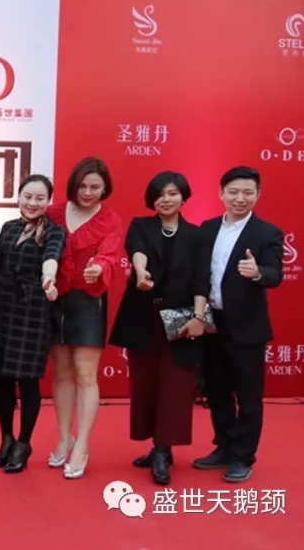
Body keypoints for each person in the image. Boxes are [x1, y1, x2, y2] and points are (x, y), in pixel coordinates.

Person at [109, 171, 210, 486]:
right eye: (160, 194)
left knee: (176, 384)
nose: (166, 199)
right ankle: (157, 446)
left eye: (172, 193)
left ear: (183, 197)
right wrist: (141, 272)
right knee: (147, 384)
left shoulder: (196, 235)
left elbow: (201, 279)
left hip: (182, 316)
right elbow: (136, 250)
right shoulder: (141, 225)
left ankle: (164, 451)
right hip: (145, 315)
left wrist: (199, 317)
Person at [194, 166, 283, 483]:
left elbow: (275, 273)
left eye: (248, 192)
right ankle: (224, 447)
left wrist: (258, 272)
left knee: (248, 396)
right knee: (216, 391)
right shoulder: (206, 229)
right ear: (221, 194)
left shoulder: (267, 233)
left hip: (247, 327)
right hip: (212, 324)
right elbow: (199, 274)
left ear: (258, 195)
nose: (240, 198)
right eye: (233, 192)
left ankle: (243, 456)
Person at [46, 157, 124, 479]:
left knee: (85, 373)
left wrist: (99, 268)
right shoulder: (53, 213)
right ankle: (64, 438)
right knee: (62, 372)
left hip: (89, 300)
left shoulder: (110, 220)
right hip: (54, 298)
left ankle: (82, 445)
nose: (88, 192)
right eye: (83, 186)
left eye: (95, 187)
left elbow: (111, 255)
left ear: (105, 188)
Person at [0, 174, 63, 474]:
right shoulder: (8, 227)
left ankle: (24, 443)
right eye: (28, 196)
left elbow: (51, 258)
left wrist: (48, 278)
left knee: (28, 380)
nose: (32, 203)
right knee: (3, 378)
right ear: (19, 197)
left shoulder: (54, 231)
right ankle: (6, 439)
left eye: (40, 198)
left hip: (33, 311)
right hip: (2, 309)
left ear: (48, 201)